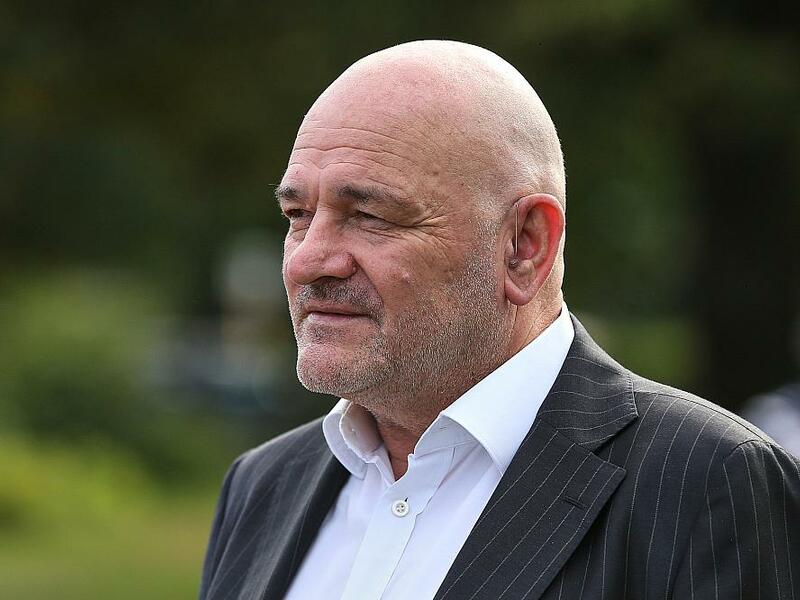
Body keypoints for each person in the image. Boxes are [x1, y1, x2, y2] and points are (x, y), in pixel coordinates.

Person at [199, 41, 800, 600]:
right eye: (298, 215)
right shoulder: (263, 486)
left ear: (524, 245)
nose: (307, 261)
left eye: (370, 216)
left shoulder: (707, 483)